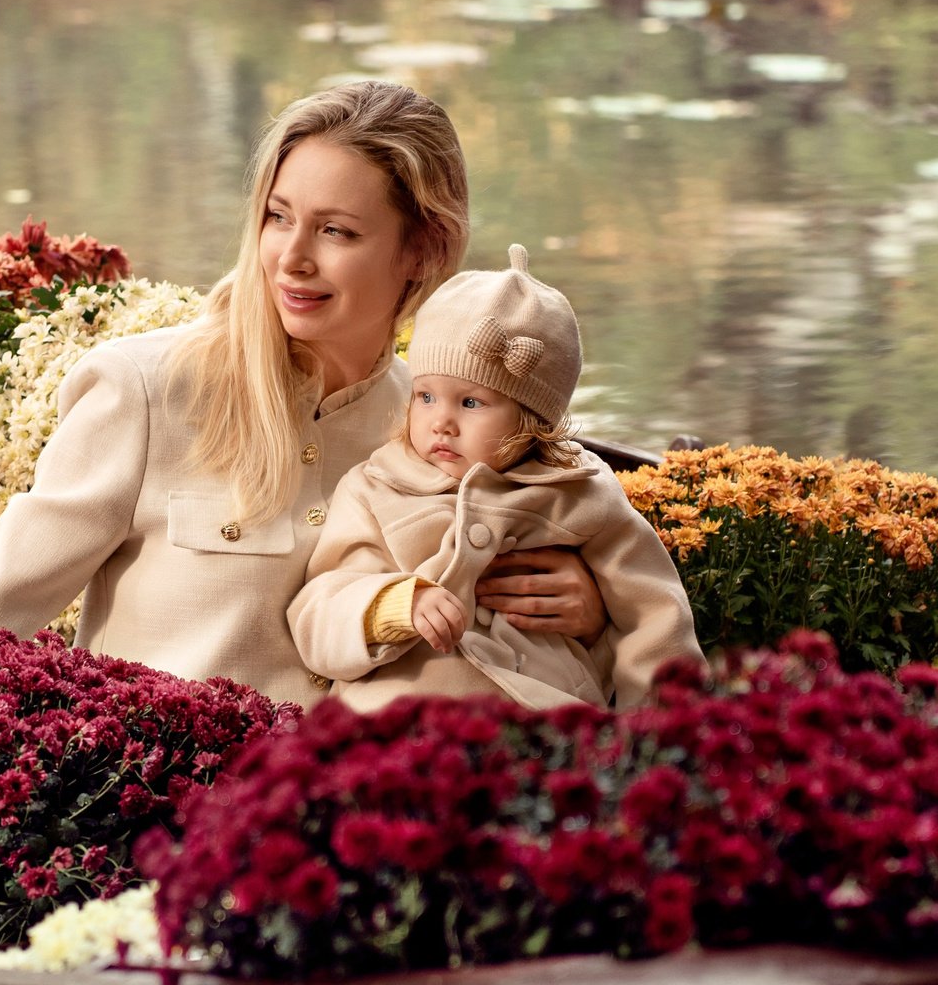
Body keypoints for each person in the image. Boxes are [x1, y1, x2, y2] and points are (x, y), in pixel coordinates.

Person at [0, 81, 613, 800]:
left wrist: (587, 604)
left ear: (423, 249)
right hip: (145, 827)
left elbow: (499, 613)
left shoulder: (443, 430)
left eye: (336, 230)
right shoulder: (146, 389)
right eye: (277, 217)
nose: (291, 257)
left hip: (361, 834)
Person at [286, 244, 701, 710]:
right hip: (398, 718)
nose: (441, 422)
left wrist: (663, 727)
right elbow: (318, 610)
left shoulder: (580, 494)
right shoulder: (375, 487)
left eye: (471, 402)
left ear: (533, 420)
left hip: (543, 715)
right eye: (425, 396)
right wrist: (394, 605)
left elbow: (655, 618)